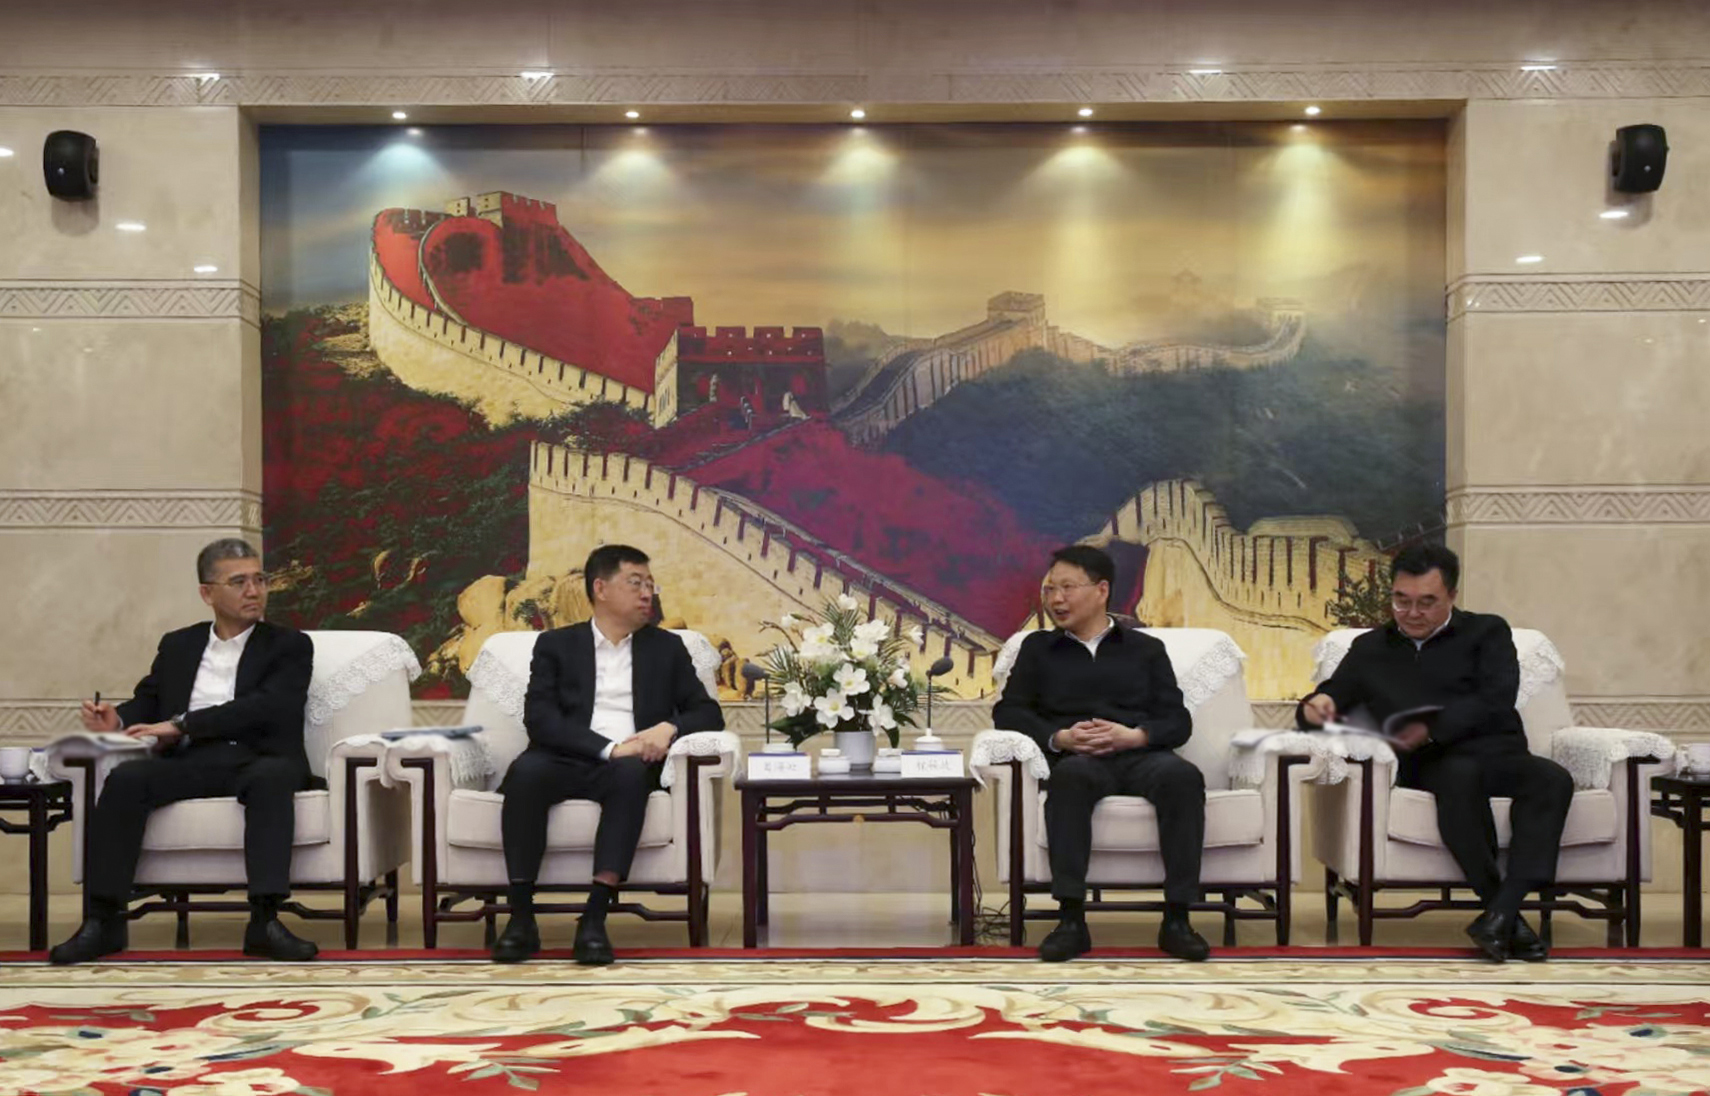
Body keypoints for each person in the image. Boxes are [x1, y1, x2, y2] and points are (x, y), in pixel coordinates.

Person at [1297, 543, 1573, 962]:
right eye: (1401, 600)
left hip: (1496, 752)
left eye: (1427, 602)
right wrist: (1314, 707)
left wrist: (1430, 728)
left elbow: (1496, 698)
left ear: (1452, 596)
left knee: (1552, 779)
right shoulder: (1371, 648)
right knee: (1459, 775)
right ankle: (1503, 914)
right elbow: (1332, 695)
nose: (1412, 613)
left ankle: (1501, 912)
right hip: (1429, 764)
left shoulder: (1487, 632)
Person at [50, 539, 317, 964]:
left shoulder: (289, 645)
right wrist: (115, 720)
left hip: (259, 757)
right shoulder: (179, 645)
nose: (254, 591)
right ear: (207, 593)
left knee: (272, 779)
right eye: (239, 582)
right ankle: (103, 923)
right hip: (192, 760)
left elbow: (269, 706)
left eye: (260, 580)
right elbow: (149, 700)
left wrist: (182, 724)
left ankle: (264, 922)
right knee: (126, 778)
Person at [491, 544, 724, 964]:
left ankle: (595, 918)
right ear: (600, 588)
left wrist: (668, 728)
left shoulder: (667, 648)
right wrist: (610, 748)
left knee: (631, 775)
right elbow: (540, 719)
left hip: (629, 766)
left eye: (650, 585)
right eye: (635, 583)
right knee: (526, 773)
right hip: (564, 755)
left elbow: (708, 712)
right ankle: (521, 918)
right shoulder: (556, 645)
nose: (647, 594)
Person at [994, 545, 1211, 962]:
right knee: (1070, 779)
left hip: (1140, 756)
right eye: (1050, 589)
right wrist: (1060, 737)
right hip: (1078, 759)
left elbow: (1177, 720)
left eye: (1067, 588)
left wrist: (1136, 736)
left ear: (1101, 590)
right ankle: (1071, 921)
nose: (1056, 599)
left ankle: (1178, 920)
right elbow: (1009, 712)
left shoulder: (1145, 649)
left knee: (1183, 777)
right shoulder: (1038, 648)